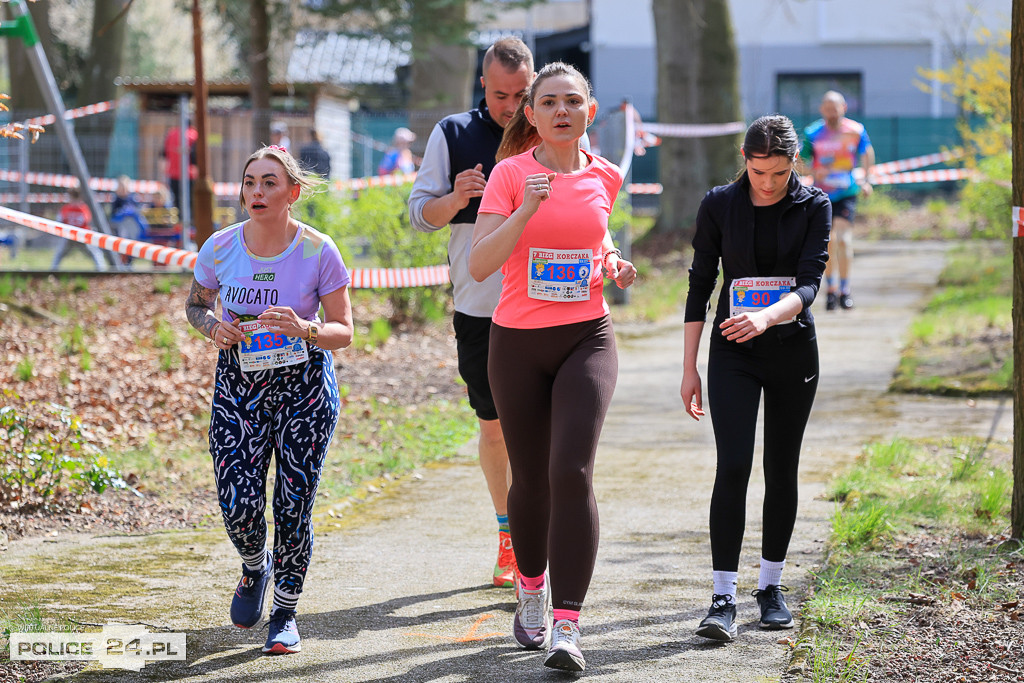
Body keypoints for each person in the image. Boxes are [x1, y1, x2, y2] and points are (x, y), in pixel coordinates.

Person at [469, 61, 637, 672]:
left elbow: (599, 236)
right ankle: (532, 590)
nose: (561, 111)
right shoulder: (511, 175)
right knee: (532, 479)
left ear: (588, 112)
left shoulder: (607, 175)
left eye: (573, 101)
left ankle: (567, 623)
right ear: (531, 115)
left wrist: (613, 262)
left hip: (586, 339)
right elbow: (482, 264)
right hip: (517, 344)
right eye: (549, 102)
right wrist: (523, 212)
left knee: (572, 470)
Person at [184, 146, 353, 655]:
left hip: (304, 391)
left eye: (269, 183)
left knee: (293, 506)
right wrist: (213, 327)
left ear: (292, 193)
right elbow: (195, 305)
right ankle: (254, 565)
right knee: (238, 502)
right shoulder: (219, 247)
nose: (256, 192)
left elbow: (345, 331)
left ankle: (284, 611)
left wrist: (307, 328)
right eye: (249, 182)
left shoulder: (319, 250)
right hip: (239, 389)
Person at [680, 115, 831, 642]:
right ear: (744, 159)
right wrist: (689, 368)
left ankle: (770, 587)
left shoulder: (815, 206)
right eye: (758, 170)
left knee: (780, 467)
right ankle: (723, 596)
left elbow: (811, 284)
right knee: (735, 464)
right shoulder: (719, 203)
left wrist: (768, 316)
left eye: (779, 173)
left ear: (796, 164)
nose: (767, 183)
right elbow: (700, 285)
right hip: (733, 354)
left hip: (792, 352)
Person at [408, 37, 535, 594]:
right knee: (495, 429)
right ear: (483, 84)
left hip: (544, 304)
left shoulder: (548, 125)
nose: (512, 106)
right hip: (480, 308)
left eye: (521, 94)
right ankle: (508, 535)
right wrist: (456, 198)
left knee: (546, 432)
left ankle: (538, 534)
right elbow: (420, 215)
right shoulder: (453, 133)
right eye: (502, 94)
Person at [803, 90, 874, 311]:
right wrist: (814, 170)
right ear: (821, 110)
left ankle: (845, 289)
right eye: (827, 108)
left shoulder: (855, 130)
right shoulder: (812, 132)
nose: (831, 112)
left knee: (843, 240)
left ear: (843, 107)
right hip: (821, 194)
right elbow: (799, 161)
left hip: (846, 192)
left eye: (835, 108)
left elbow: (867, 153)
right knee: (829, 242)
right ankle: (831, 289)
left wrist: (867, 180)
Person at [51, 186, 107, 271]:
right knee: (96, 254)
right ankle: (101, 270)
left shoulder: (66, 208)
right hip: (78, 235)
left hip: (77, 236)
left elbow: (59, 220)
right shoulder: (84, 208)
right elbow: (88, 221)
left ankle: (53, 271)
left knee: (59, 255)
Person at [110, 175, 149, 266]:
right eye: (121, 187)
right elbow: (113, 216)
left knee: (132, 245)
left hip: (133, 229)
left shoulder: (132, 199)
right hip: (121, 228)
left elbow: (138, 212)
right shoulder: (116, 200)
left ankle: (129, 262)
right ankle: (121, 262)